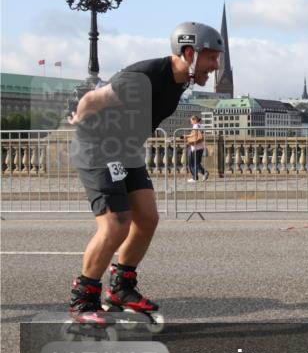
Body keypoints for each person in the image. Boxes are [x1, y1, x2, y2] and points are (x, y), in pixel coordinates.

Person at [67, 22, 223, 329]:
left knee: (148, 218)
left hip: (125, 150)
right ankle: (83, 298)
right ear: (189, 53)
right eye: (211, 58)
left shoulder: (178, 81)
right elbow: (89, 101)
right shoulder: (143, 78)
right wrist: (81, 122)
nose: (215, 66)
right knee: (116, 224)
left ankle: (120, 288)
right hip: (98, 148)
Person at [186, 114, 208, 182]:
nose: (191, 122)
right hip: (200, 147)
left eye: (191, 120)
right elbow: (198, 135)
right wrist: (187, 135)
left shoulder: (195, 126)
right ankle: (203, 173)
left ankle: (195, 177)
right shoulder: (201, 125)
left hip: (195, 147)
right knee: (197, 163)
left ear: (194, 120)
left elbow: (194, 136)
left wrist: (187, 137)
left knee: (192, 163)